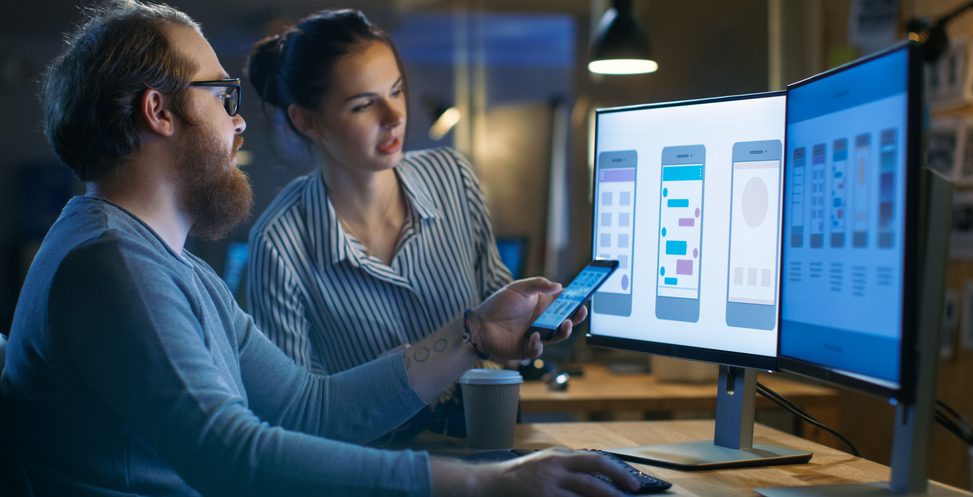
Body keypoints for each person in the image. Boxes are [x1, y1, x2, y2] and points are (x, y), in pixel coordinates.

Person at [0, 2, 638, 496]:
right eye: (223, 97)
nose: (239, 120)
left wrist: (474, 333)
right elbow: (232, 458)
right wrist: (483, 484)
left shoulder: (164, 265)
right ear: (158, 111)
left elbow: (311, 408)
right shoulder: (114, 266)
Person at [244, 8, 511, 437]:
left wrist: (528, 324)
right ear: (306, 120)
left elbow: (495, 299)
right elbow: (294, 418)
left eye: (397, 91)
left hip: (485, 437)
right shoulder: (280, 244)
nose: (394, 117)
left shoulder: (453, 177)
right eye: (364, 104)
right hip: (373, 467)